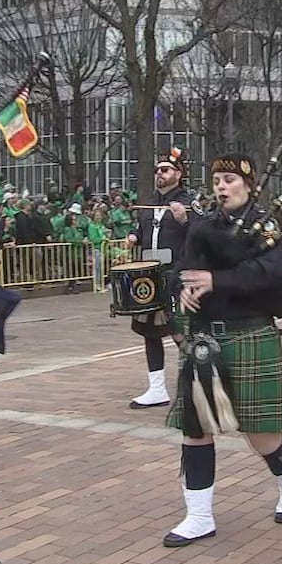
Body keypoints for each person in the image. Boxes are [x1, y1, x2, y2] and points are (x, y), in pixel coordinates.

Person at [163, 152, 282, 547]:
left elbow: (272, 272)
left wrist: (217, 280)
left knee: (260, 432)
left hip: (249, 334)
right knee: (197, 430)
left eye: (229, 180)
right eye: (217, 181)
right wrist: (183, 291)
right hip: (204, 339)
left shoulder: (267, 227)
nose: (222, 187)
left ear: (249, 184)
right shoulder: (203, 227)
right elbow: (182, 268)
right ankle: (198, 516)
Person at [124, 148, 192, 409]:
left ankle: (198, 383)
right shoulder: (148, 203)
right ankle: (157, 389)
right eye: (157, 170)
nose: (159, 174)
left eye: (165, 170)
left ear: (178, 173)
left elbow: (199, 234)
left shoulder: (187, 202)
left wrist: (185, 220)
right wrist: (133, 237)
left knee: (180, 331)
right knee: (149, 332)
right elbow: (140, 229)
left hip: (176, 276)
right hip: (149, 276)